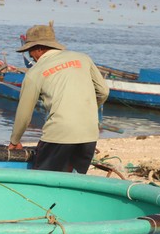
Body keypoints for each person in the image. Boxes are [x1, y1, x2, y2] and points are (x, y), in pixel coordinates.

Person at [7, 22, 109, 174]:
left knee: (44, 180)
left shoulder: (34, 72)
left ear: (39, 48)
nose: (31, 56)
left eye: (30, 51)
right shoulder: (83, 59)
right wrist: (86, 111)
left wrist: (15, 141)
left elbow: (24, 114)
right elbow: (103, 91)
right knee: (74, 181)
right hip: (89, 134)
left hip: (58, 135)